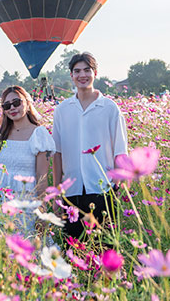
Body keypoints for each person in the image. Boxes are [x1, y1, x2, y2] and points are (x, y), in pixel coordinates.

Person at [52, 52, 128, 240]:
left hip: (103, 189)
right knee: (73, 247)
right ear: (71, 75)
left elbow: (120, 150)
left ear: (95, 73)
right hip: (72, 191)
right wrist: (56, 192)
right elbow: (57, 154)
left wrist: (116, 185)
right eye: (77, 71)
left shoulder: (109, 108)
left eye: (87, 70)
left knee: (105, 246)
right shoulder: (62, 110)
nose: (82, 75)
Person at [0, 85, 56, 236]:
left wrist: (42, 211)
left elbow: (42, 177)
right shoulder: (0, 135)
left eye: (17, 102)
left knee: (24, 243)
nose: (12, 108)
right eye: (6, 105)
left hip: (25, 203)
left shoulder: (39, 134)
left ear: (28, 103)